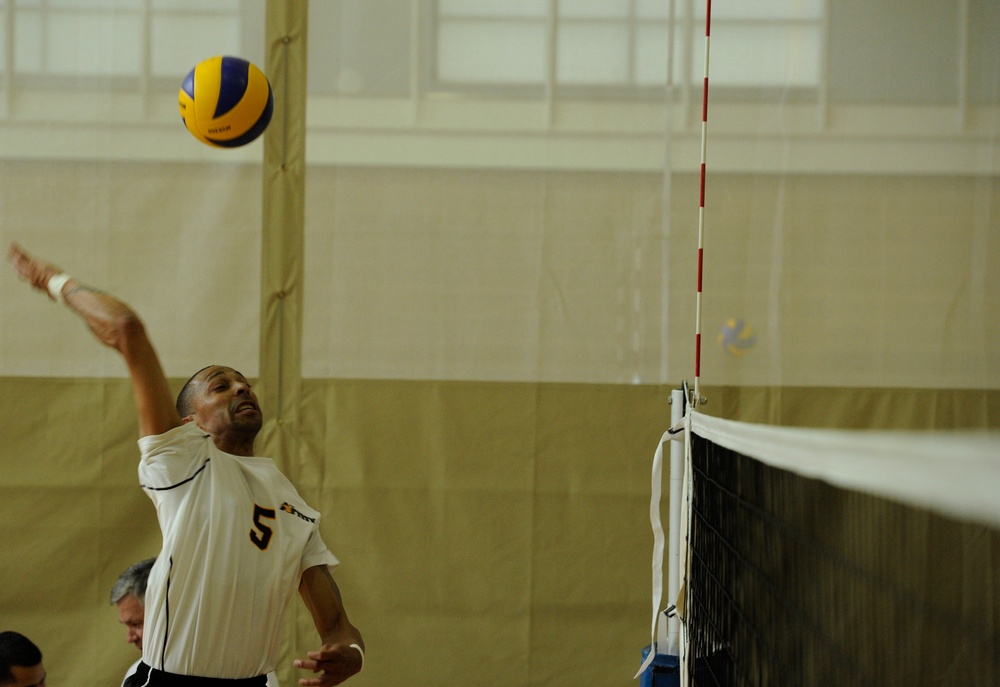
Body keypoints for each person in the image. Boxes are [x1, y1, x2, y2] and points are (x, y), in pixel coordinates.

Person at [8, 243, 364, 687]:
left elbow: (337, 625)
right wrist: (53, 280)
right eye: (221, 385)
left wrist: (351, 655)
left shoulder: (293, 504)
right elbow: (126, 329)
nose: (240, 389)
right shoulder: (180, 460)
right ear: (189, 422)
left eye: (245, 384)